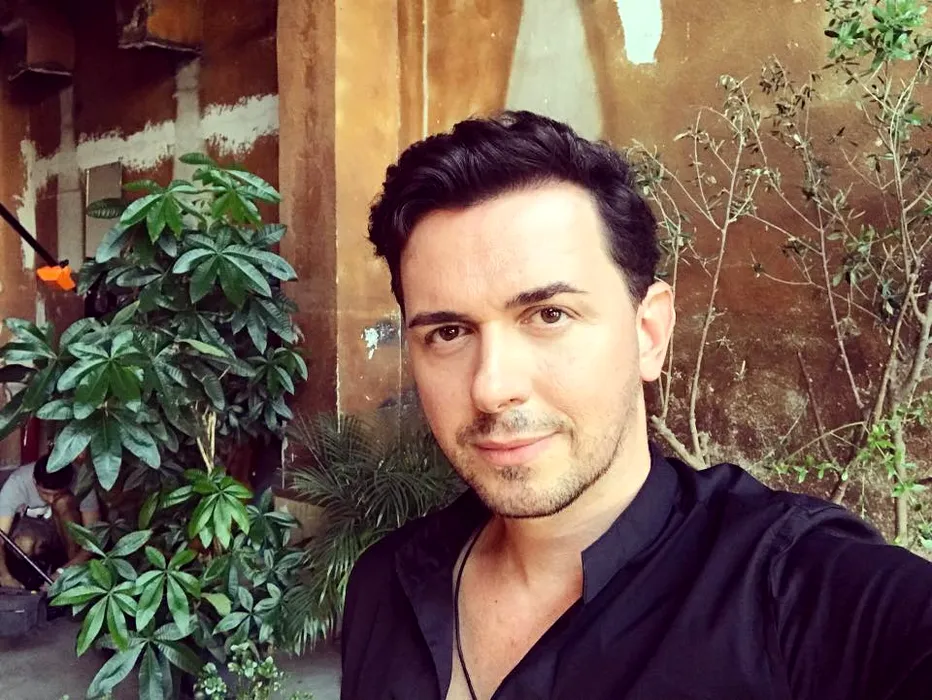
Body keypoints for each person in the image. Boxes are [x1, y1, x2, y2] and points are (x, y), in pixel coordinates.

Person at [339, 111, 932, 700]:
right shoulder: (385, 586)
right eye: (448, 333)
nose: (491, 387)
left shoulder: (790, 593)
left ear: (649, 332)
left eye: (550, 315)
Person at [0, 454, 100, 590]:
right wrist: (5, 577)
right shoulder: (17, 482)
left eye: (57, 493)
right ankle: (36, 577)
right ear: (34, 482)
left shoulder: (82, 481)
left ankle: (72, 571)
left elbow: (94, 538)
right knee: (25, 543)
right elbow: (0, 537)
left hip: (66, 532)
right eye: (45, 493)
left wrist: (64, 572)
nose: (51, 500)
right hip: (34, 529)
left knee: (63, 502)